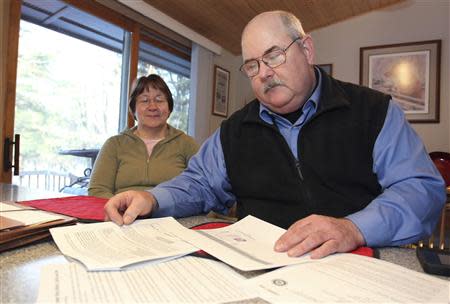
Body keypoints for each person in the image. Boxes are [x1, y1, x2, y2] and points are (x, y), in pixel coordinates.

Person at [104, 11, 445, 258]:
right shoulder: (235, 129)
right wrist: (153, 199)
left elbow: (420, 190)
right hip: (260, 267)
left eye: (274, 55)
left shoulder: (373, 110)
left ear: (307, 50)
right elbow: (200, 183)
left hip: (357, 265)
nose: (264, 73)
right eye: (252, 65)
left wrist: (353, 228)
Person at [88, 74, 198, 198]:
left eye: (159, 100)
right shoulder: (114, 145)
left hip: (174, 215)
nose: (153, 107)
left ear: (169, 108)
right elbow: (97, 191)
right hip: (123, 214)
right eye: (145, 100)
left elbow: (203, 188)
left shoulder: (187, 144)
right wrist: (123, 208)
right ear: (133, 109)